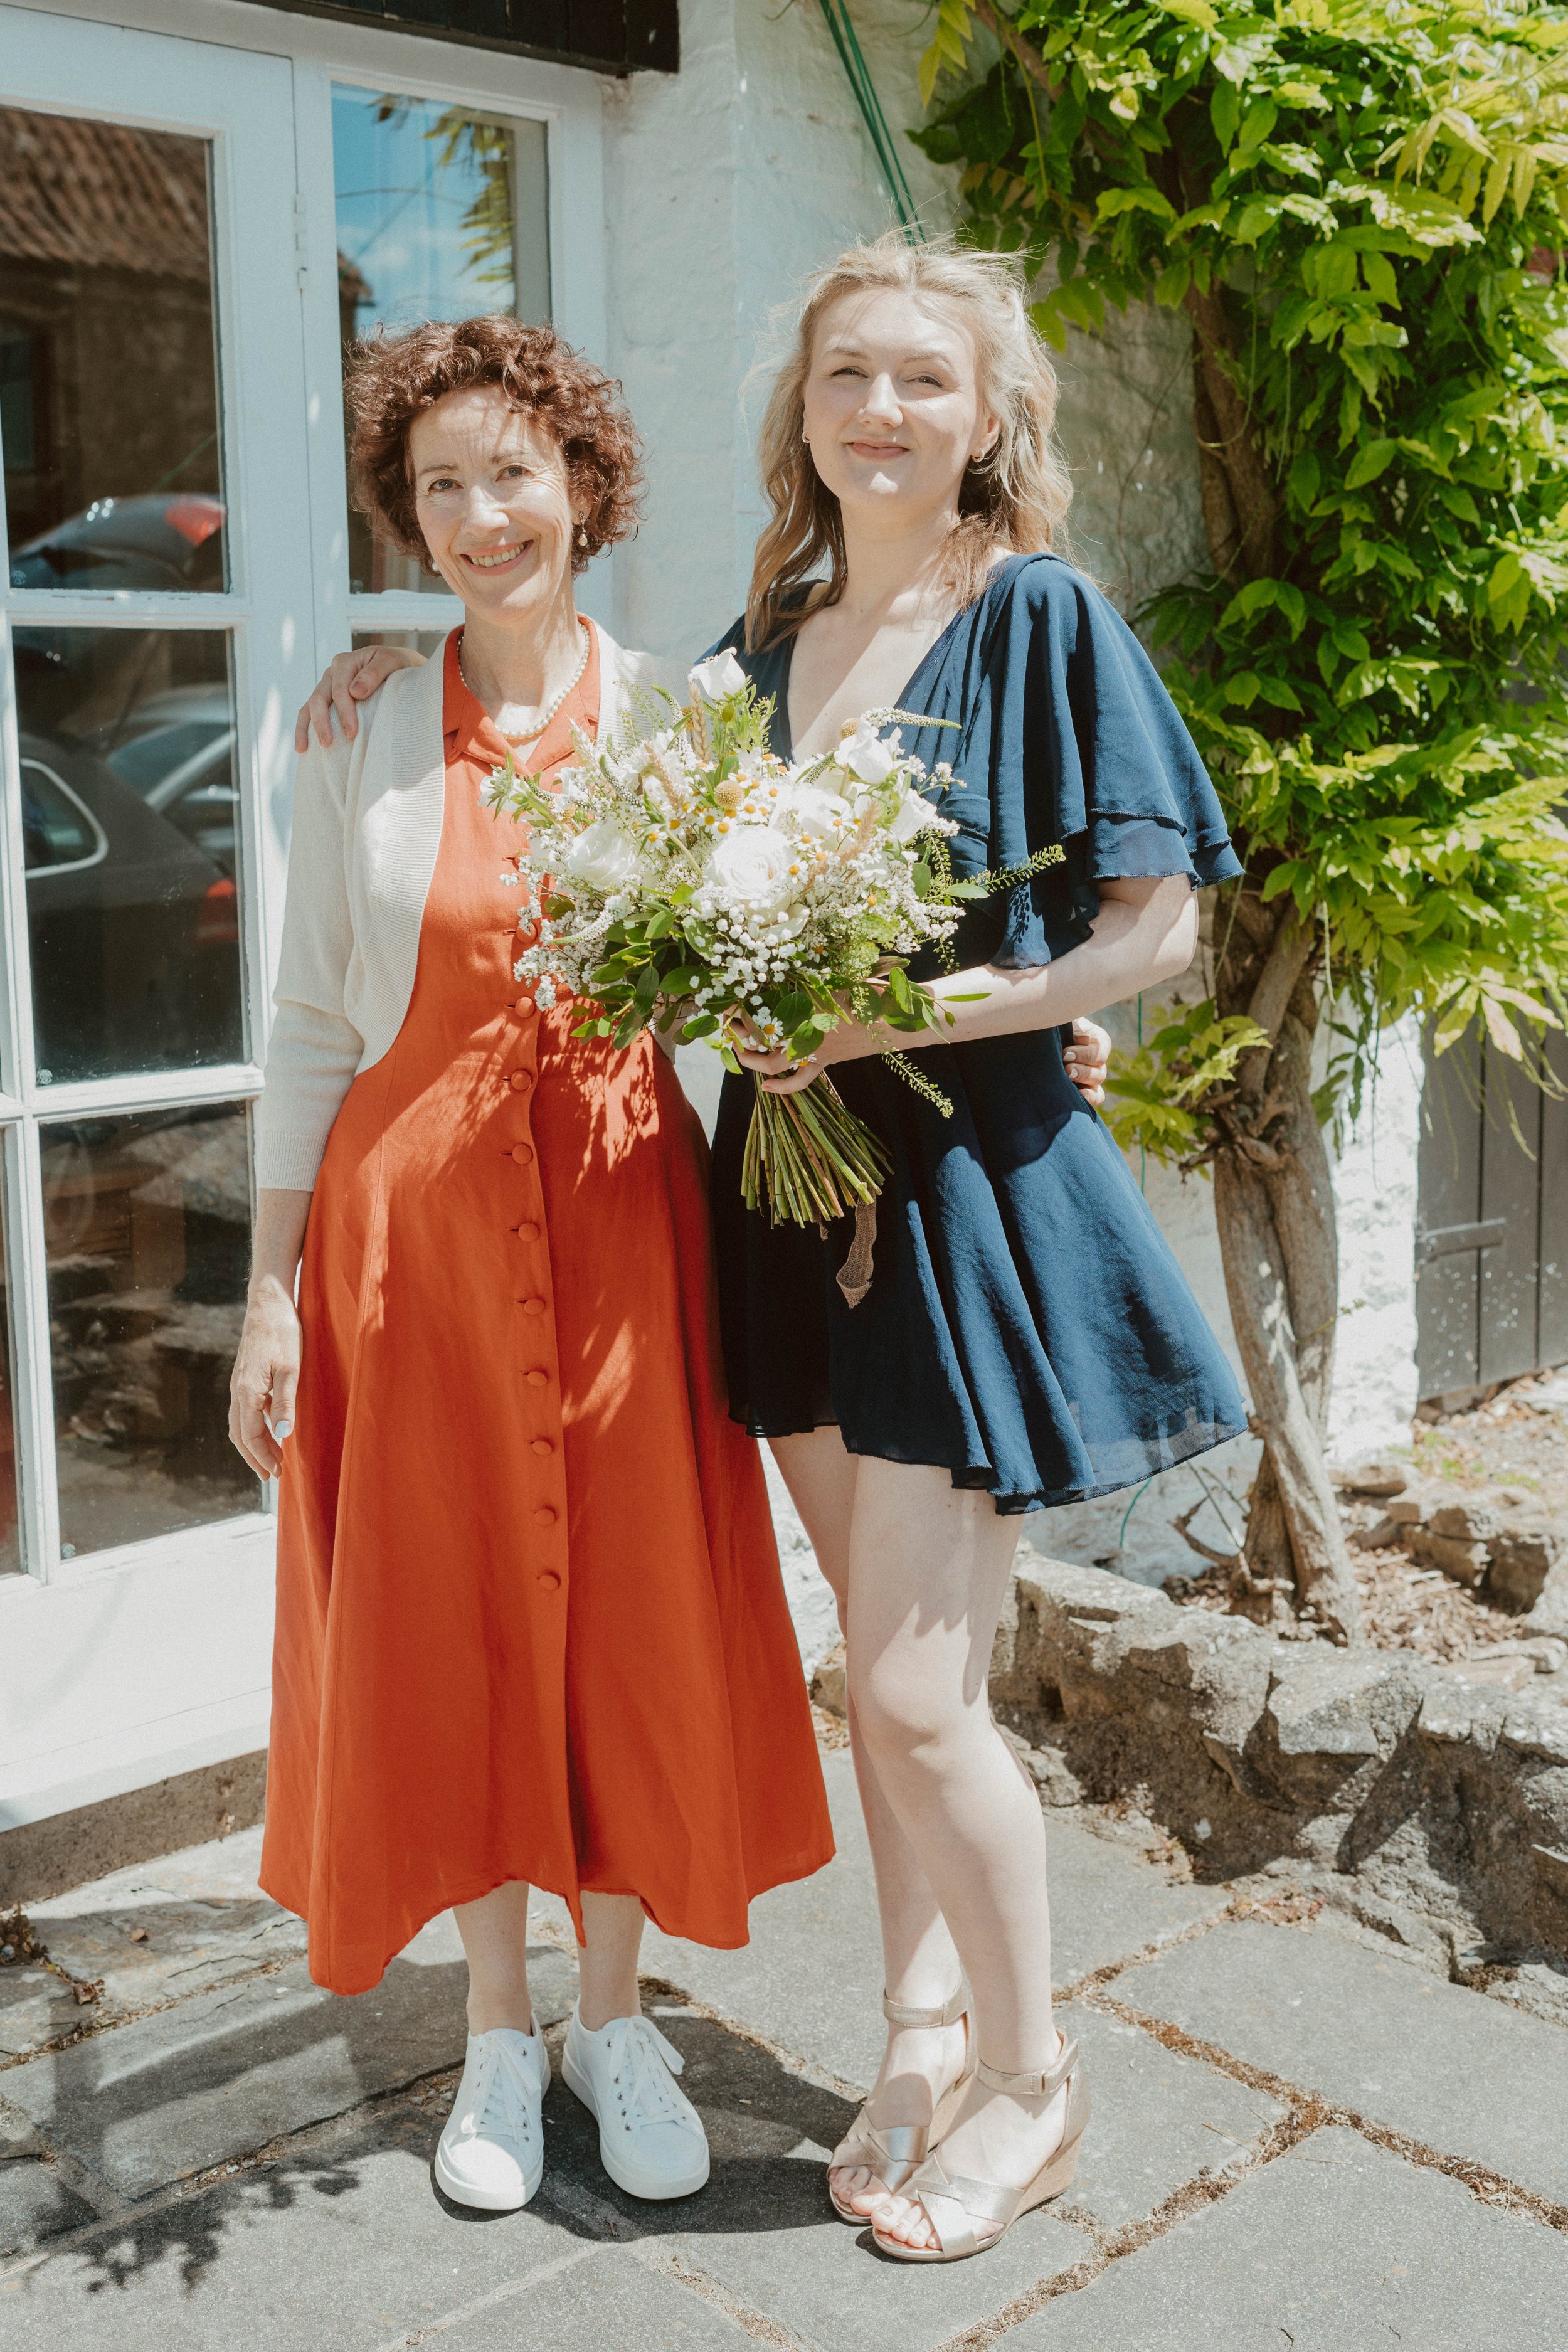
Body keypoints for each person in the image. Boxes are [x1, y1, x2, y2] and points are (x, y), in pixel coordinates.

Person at [230, 317, 834, 2221]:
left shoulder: (685, 724)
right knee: (458, 1615)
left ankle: (611, 2019)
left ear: (582, 483)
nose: (483, 514)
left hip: (628, 1224)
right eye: (441, 486)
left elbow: (753, 985)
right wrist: (267, 1290)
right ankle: (496, 2027)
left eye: (514, 470)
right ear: (408, 521)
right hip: (406, 1241)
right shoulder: (351, 729)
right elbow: (308, 1024)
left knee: (631, 1613)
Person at [697, 233, 1249, 2263]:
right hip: (783, 1194)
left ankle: (1034, 2081)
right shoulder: (761, 640)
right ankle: (918, 2028)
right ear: (802, 407)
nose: (879, 409)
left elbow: (1152, 930)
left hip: (956, 1202)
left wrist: (913, 1018)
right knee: (876, 1685)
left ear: (989, 413)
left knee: (922, 1697)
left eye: (923, 377)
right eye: (846, 372)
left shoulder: (1036, 617)